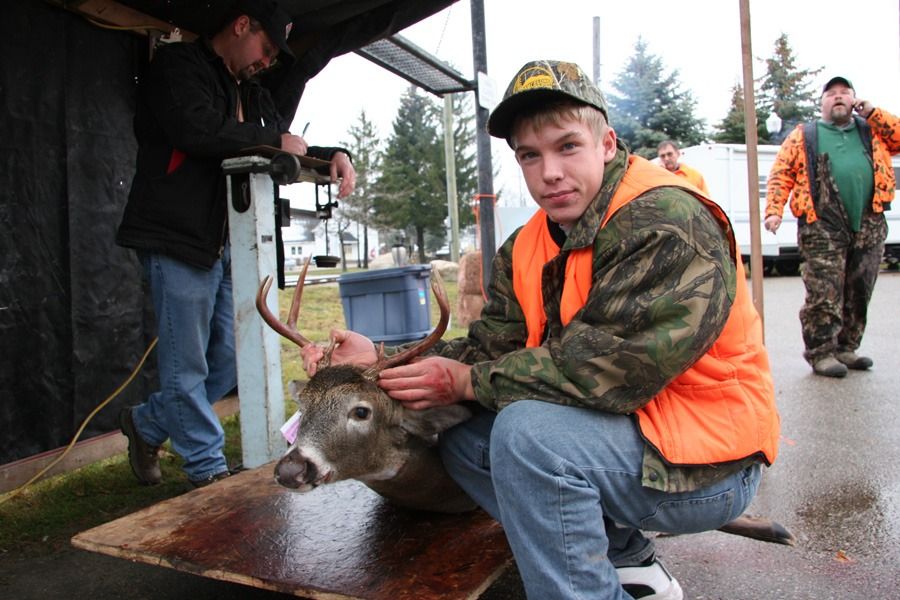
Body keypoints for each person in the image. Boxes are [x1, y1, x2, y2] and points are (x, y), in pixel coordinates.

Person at [304, 60, 780, 600]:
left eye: (567, 146)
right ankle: (626, 560)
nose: (549, 172)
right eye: (530, 155)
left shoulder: (666, 221)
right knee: (464, 438)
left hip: (707, 462)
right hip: (622, 440)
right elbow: (488, 349)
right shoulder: (528, 244)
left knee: (526, 436)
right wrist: (378, 360)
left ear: (606, 144)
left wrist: (467, 383)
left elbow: (610, 371)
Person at [115, 0, 356, 487]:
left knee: (231, 358)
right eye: (266, 48)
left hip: (230, 243)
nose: (267, 61)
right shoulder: (178, 66)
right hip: (177, 235)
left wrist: (334, 154)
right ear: (242, 25)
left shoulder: (252, 93)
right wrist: (274, 141)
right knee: (186, 367)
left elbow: (281, 142)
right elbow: (196, 128)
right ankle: (207, 471)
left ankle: (147, 424)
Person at [764, 76, 899, 378]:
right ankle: (821, 352)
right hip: (821, 225)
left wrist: (873, 113)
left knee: (860, 290)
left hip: (869, 222)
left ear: (854, 100)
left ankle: (847, 347)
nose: (838, 97)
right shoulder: (805, 135)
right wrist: (774, 211)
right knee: (824, 292)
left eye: (844, 93)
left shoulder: (872, 129)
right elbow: (781, 173)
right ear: (822, 103)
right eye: (831, 94)